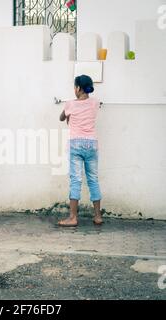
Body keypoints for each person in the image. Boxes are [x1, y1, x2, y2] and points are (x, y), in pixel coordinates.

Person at [58, 75, 103, 227]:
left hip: (75, 144)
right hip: (92, 144)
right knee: (93, 180)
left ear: (78, 88)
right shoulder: (95, 103)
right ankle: (97, 216)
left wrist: (68, 115)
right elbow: (95, 106)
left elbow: (61, 117)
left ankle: (72, 218)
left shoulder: (70, 104)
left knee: (76, 180)